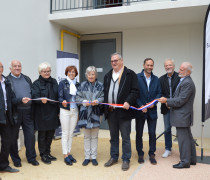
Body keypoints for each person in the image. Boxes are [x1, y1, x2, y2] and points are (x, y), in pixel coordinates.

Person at [103, 53, 139, 171]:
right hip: (111, 112)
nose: (114, 63)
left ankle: (126, 159)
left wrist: (128, 101)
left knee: (125, 137)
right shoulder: (108, 75)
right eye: (112, 61)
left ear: (121, 61)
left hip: (124, 113)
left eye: (116, 60)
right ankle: (114, 157)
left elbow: (135, 91)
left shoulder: (130, 74)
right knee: (113, 137)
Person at [158, 62, 197, 169]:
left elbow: (181, 100)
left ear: (188, 72)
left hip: (182, 116)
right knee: (188, 138)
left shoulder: (187, 83)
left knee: (183, 140)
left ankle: (185, 161)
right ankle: (192, 159)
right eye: (179, 69)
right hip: (183, 115)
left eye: (182, 70)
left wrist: (167, 101)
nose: (179, 71)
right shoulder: (184, 80)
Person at [7, 60, 39, 167]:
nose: (17, 68)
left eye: (19, 66)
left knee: (30, 136)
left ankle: (31, 158)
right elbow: (8, 100)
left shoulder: (27, 78)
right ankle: (16, 160)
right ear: (10, 68)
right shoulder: (7, 81)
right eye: (15, 66)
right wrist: (20, 100)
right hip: (15, 113)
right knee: (13, 137)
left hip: (28, 112)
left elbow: (32, 93)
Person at [0, 62, 29, 173]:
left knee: (7, 142)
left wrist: (21, 100)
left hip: (6, 115)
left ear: (3, 69)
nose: (0, 69)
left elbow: (11, 99)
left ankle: (3, 165)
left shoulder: (6, 82)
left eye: (0, 67)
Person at [32, 62, 60, 164]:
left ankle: (48, 152)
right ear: (40, 72)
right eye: (45, 71)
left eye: (48, 71)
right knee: (42, 135)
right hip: (41, 114)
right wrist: (40, 100)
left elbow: (58, 96)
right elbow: (34, 97)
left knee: (50, 134)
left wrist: (58, 111)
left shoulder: (54, 82)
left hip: (53, 113)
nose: (47, 73)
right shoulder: (36, 84)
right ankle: (43, 154)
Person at [76, 66, 104, 166]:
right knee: (87, 136)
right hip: (85, 114)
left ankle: (94, 157)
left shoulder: (101, 85)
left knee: (95, 136)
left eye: (93, 74)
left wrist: (98, 101)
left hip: (96, 113)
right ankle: (87, 157)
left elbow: (103, 97)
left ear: (95, 75)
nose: (91, 76)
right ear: (86, 75)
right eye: (89, 74)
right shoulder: (82, 85)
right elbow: (77, 97)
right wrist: (83, 102)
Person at [135, 58, 161, 165]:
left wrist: (152, 104)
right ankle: (140, 153)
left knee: (152, 133)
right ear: (143, 65)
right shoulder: (137, 77)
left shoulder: (156, 79)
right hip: (140, 111)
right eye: (148, 65)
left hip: (152, 112)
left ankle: (152, 153)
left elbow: (159, 94)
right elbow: (134, 93)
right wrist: (141, 105)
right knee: (139, 133)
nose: (149, 67)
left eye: (151, 65)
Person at [58, 66, 80, 166]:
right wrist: (62, 100)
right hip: (65, 110)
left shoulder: (78, 84)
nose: (71, 73)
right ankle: (65, 155)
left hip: (75, 111)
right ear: (66, 73)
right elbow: (59, 96)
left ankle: (69, 153)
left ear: (76, 74)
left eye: (73, 72)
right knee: (65, 133)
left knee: (71, 133)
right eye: (70, 72)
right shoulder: (62, 83)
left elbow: (80, 97)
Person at [159, 59, 180, 158]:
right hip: (166, 107)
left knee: (180, 129)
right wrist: (167, 102)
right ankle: (168, 148)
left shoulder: (180, 77)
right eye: (166, 65)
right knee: (167, 129)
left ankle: (182, 149)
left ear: (174, 66)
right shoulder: (161, 79)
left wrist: (172, 102)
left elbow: (181, 93)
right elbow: (160, 93)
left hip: (178, 108)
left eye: (170, 65)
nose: (168, 67)